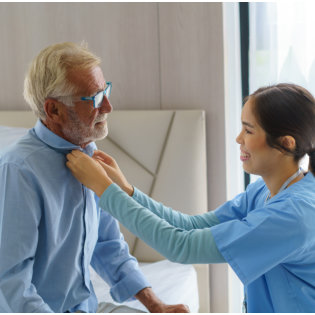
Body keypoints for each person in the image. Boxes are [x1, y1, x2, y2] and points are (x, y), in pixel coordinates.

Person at [66, 83, 315, 313]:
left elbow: (181, 246)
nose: (238, 139)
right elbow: (189, 227)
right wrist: (125, 189)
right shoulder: (264, 192)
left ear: (286, 144)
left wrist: (104, 189)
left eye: (248, 130)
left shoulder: (294, 214)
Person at [0, 42, 189, 313]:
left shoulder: (87, 150)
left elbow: (107, 242)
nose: (109, 107)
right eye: (95, 99)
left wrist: (156, 304)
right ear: (54, 110)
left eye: (105, 92)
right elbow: (10, 284)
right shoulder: (18, 170)